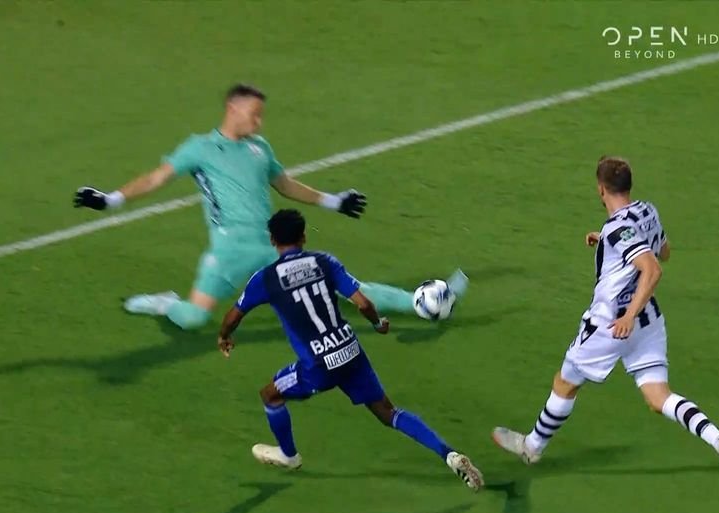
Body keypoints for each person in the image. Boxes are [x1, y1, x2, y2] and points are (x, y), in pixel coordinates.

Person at [74, 83, 466, 330]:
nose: (259, 123)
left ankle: (419, 302)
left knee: (339, 286)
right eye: (255, 114)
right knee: (193, 319)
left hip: (272, 248)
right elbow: (156, 178)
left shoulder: (260, 149)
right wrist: (110, 199)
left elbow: (284, 184)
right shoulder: (199, 148)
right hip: (228, 252)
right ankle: (165, 305)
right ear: (233, 108)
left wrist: (335, 201)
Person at [492, 156, 719, 488]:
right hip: (648, 322)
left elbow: (653, 268)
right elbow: (663, 251)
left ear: (601, 189)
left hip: (612, 325)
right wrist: (607, 242)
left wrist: (627, 313)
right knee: (658, 397)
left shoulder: (616, 229)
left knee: (565, 382)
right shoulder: (646, 211)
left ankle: (532, 447)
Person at [217, 209, 483, 492]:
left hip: (317, 366)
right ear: (304, 236)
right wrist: (378, 323)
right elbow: (363, 303)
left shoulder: (265, 279)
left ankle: (289, 456)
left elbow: (235, 314)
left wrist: (224, 336)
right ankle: (449, 455)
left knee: (270, 395)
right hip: (349, 349)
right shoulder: (324, 261)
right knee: (388, 412)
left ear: (272, 240)